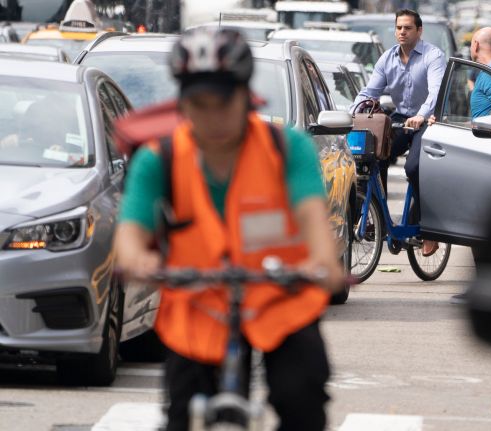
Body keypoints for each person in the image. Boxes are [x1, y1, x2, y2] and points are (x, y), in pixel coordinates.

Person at [114, 28, 344, 431]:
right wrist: (138, 260)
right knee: (182, 415)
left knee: (302, 398)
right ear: (181, 103)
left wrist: (323, 262)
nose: (212, 117)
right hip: (199, 302)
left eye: (224, 102)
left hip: (281, 299)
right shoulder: (159, 159)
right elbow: (130, 235)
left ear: (245, 97)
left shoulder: (286, 148)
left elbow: (312, 218)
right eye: (199, 104)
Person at [351, 9, 446, 256]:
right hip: (402, 118)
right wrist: (352, 112)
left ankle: (429, 228)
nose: (402, 32)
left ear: (419, 30)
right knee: (373, 154)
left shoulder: (433, 56)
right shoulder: (387, 58)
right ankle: (380, 221)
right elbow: (369, 91)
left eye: (408, 28)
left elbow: (435, 93)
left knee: (414, 168)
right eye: (399, 27)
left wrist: (421, 116)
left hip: (428, 120)